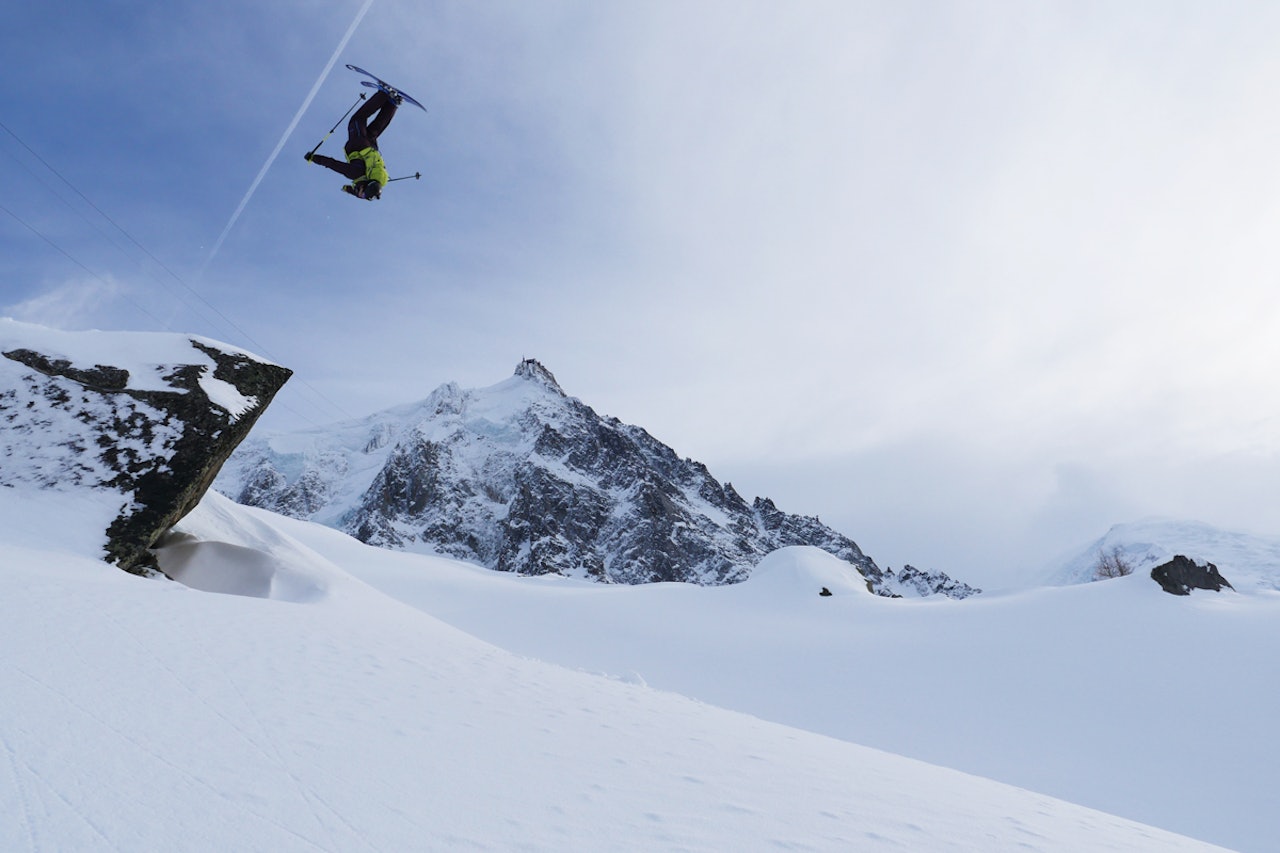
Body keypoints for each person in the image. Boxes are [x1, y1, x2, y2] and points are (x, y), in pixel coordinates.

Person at [306, 88, 400, 200]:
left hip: (371, 149)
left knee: (375, 128)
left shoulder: (378, 180)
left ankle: (392, 104)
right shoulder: (355, 173)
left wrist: (348, 190)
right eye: (363, 194)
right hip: (359, 146)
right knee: (357, 120)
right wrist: (314, 158)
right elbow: (333, 164)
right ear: (364, 188)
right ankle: (383, 95)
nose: (361, 195)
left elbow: (358, 192)